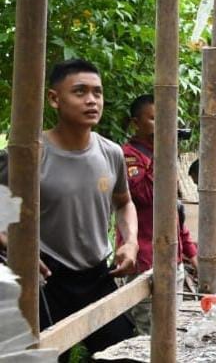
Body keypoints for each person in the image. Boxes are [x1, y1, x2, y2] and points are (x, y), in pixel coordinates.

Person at [3, 60, 138, 358]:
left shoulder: (111, 152)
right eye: (80, 92)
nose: (92, 100)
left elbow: (124, 202)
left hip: (98, 273)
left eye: (97, 93)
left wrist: (129, 242)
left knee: (125, 351)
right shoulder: (27, 154)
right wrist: (16, 247)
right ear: (54, 99)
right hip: (45, 278)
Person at [120, 94, 198, 335]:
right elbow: (144, 196)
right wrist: (161, 156)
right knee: (150, 331)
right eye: (155, 119)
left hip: (172, 257)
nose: (164, 125)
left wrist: (190, 251)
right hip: (144, 258)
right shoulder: (128, 155)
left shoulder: (163, 154)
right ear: (136, 122)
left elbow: (174, 208)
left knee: (173, 327)